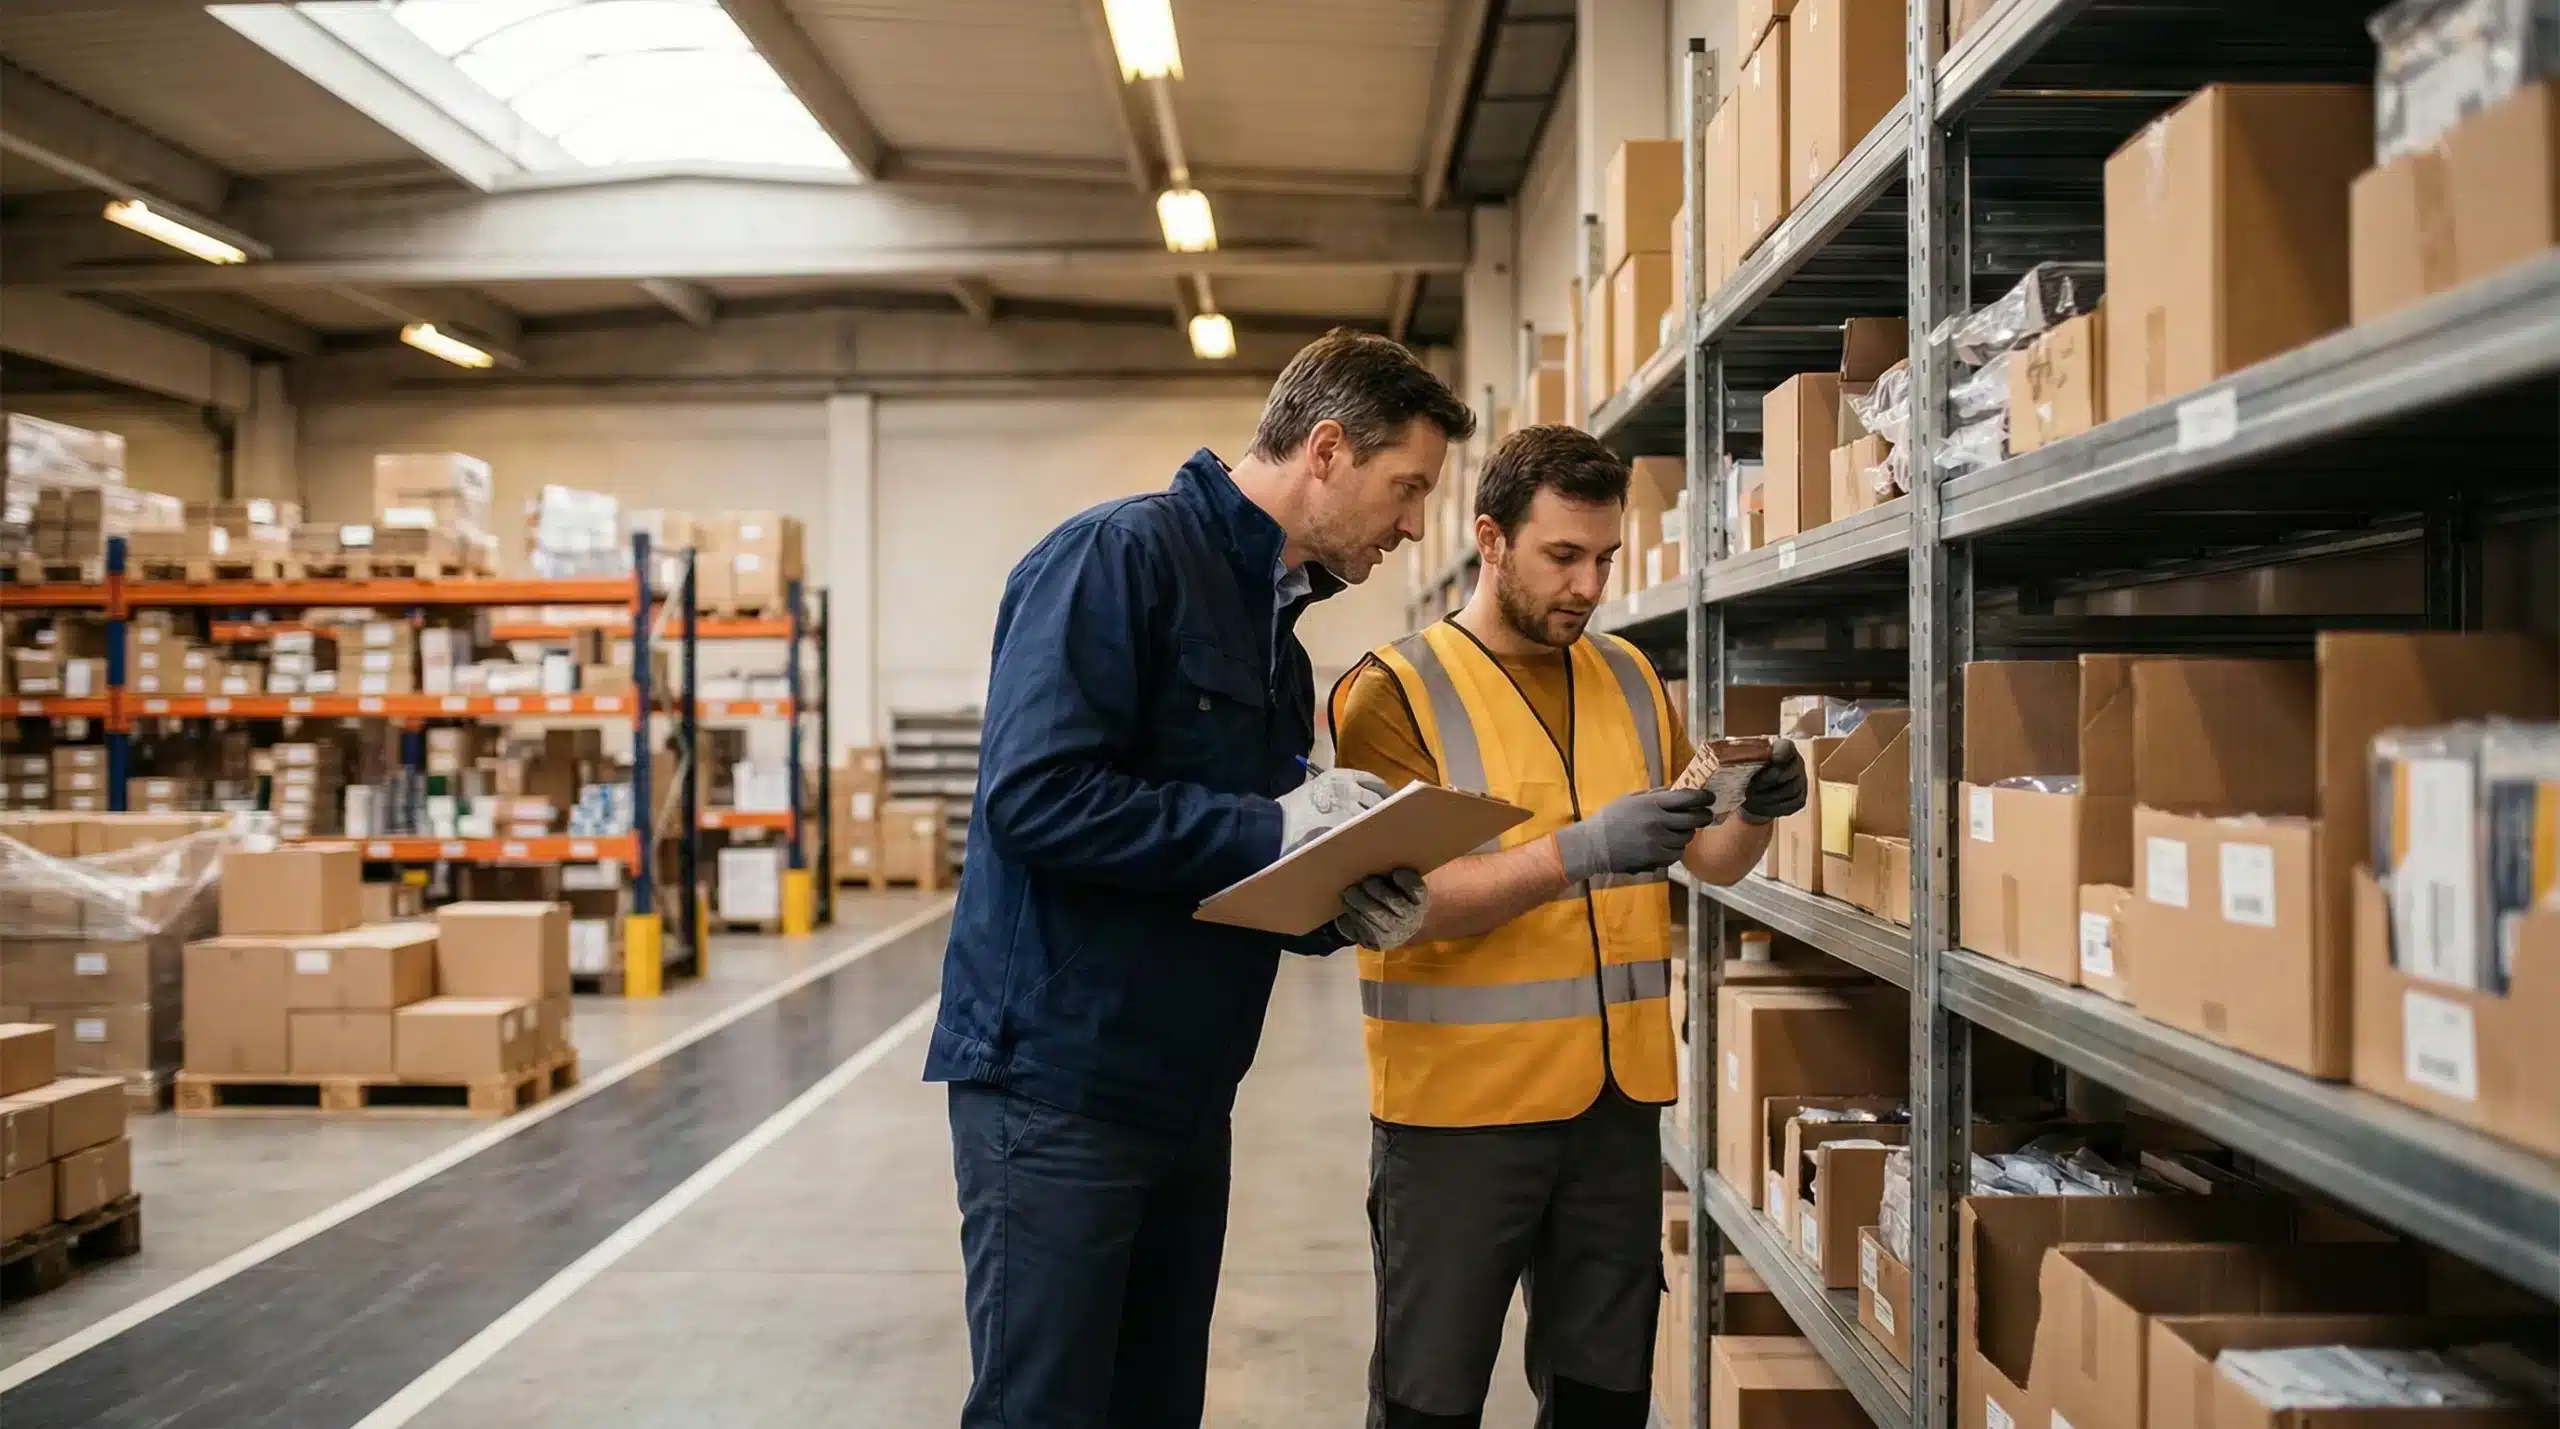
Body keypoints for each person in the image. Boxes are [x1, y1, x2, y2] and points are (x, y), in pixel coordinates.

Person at [928, 329, 1476, 1429]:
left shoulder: (1277, 641)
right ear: (1328, 449)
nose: (1416, 524)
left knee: (1156, 1404)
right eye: (1409, 487)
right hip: (1060, 1084)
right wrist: (1271, 825)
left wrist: (1344, 899)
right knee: (1046, 1409)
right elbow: (1034, 799)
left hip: (1186, 1089)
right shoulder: (1116, 558)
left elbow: (1243, 867)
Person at [1327, 425, 1809, 1429]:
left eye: (1605, 558)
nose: (1588, 585)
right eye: (1562, 556)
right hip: (1458, 1118)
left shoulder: (1628, 676)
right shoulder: (1393, 691)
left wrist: (1755, 808)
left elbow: (1708, 858)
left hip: (1613, 1112)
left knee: (1605, 1398)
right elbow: (1398, 904)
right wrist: (1580, 851)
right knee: (1428, 1403)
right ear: (1491, 540)